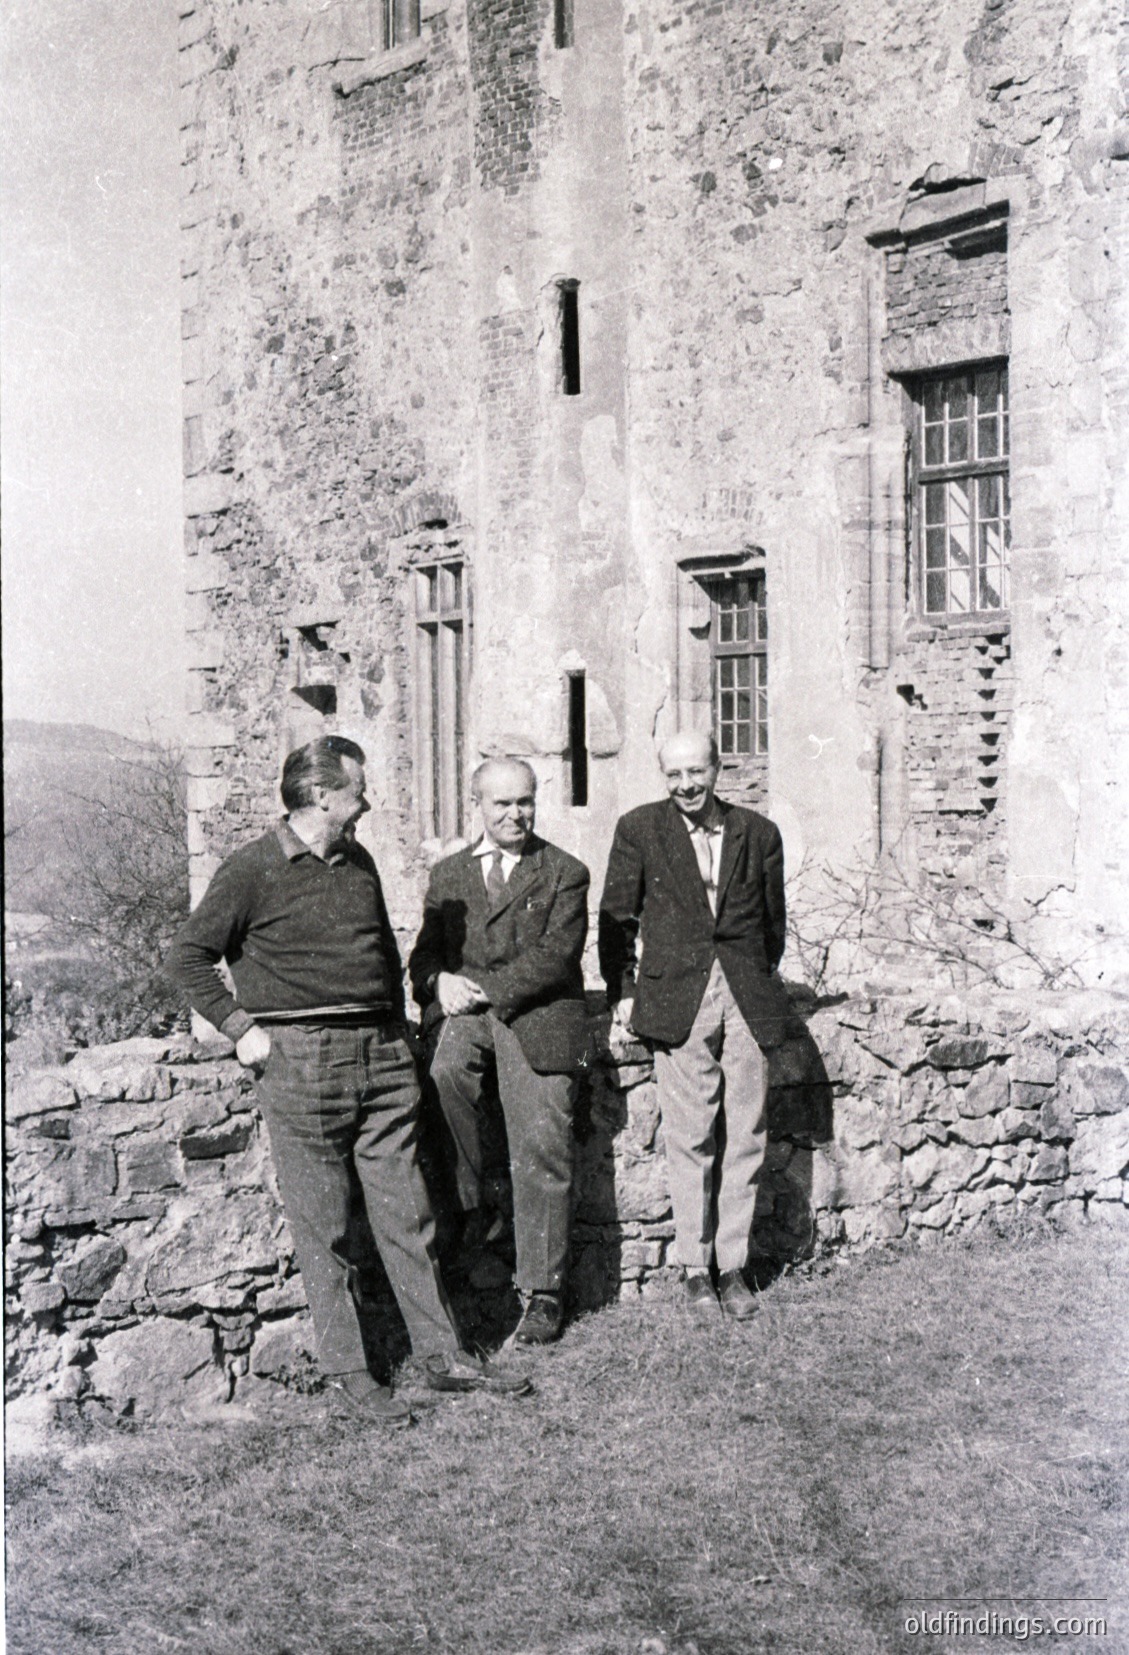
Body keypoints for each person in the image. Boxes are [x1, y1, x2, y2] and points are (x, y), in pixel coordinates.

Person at [164, 735, 529, 1423]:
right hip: (301, 1060)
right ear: (321, 794)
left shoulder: (357, 858)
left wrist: (400, 1032)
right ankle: (350, 1375)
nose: (367, 802)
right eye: (357, 790)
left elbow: (381, 952)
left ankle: (441, 1354)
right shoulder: (251, 869)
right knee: (324, 1225)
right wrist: (242, 1029)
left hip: (382, 1055)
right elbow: (187, 957)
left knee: (410, 1213)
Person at [597, 730, 791, 1320]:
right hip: (676, 998)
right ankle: (693, 1270)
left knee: (748, 1133)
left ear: (717, 768)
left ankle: (732, 1269)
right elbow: (615, 919)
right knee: (691, 1135)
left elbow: (772, 927)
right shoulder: (639, 828)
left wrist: (750, 980)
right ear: (663, 776)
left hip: (746, 996)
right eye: (674, 774)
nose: (686, 785)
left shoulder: (758, 833)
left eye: (696, 772)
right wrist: (624, 992)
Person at [409, 758, 590, 1345]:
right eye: (501, 804)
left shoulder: (564, 871)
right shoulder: (449, 875)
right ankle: (475, 1227)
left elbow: (555, 957)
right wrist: (439, 983)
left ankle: (543, 1290)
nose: (515, 814)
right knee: (441, 1078)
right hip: (467, 1016)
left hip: (536, 1016)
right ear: (477, 806)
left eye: (525, 802)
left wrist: (480, 988)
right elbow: (424, 957)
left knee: (542, 1139)